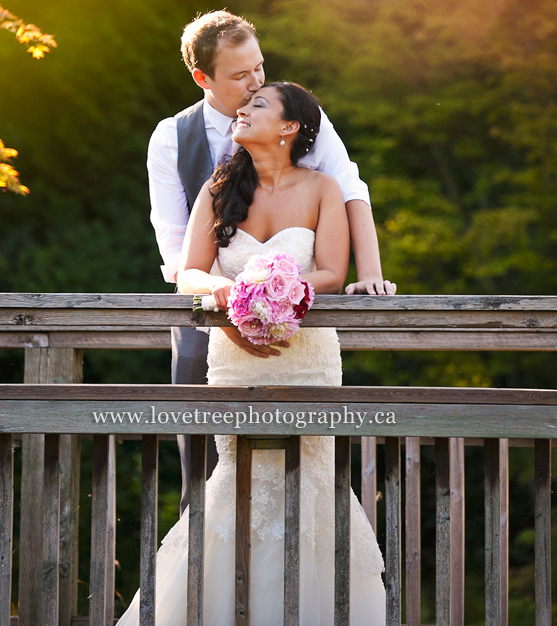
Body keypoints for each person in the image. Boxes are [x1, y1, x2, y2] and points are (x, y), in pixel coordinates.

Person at [119, 82, 385, 626]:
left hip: (304, 353)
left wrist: (281, 296)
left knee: (315, 477)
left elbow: (332, 274)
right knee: (236, 478)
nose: (243, 108)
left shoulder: (322, 188)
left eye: (259, 104)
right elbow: (188, 270)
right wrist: (227, 296)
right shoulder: (219, 188)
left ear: (290, 128)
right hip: (234, 353)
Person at [147, 10, 395, 513]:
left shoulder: (298, 116)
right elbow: (177, 254)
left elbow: (350, 190)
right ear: (203, 78)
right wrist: (228, 316)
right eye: (240, 76)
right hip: (205, 315)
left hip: (297, 327)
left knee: (308, 479)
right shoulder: (172, 138)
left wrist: (370, 275)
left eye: (259, 67)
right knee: (204, 468)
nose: (255, 81)